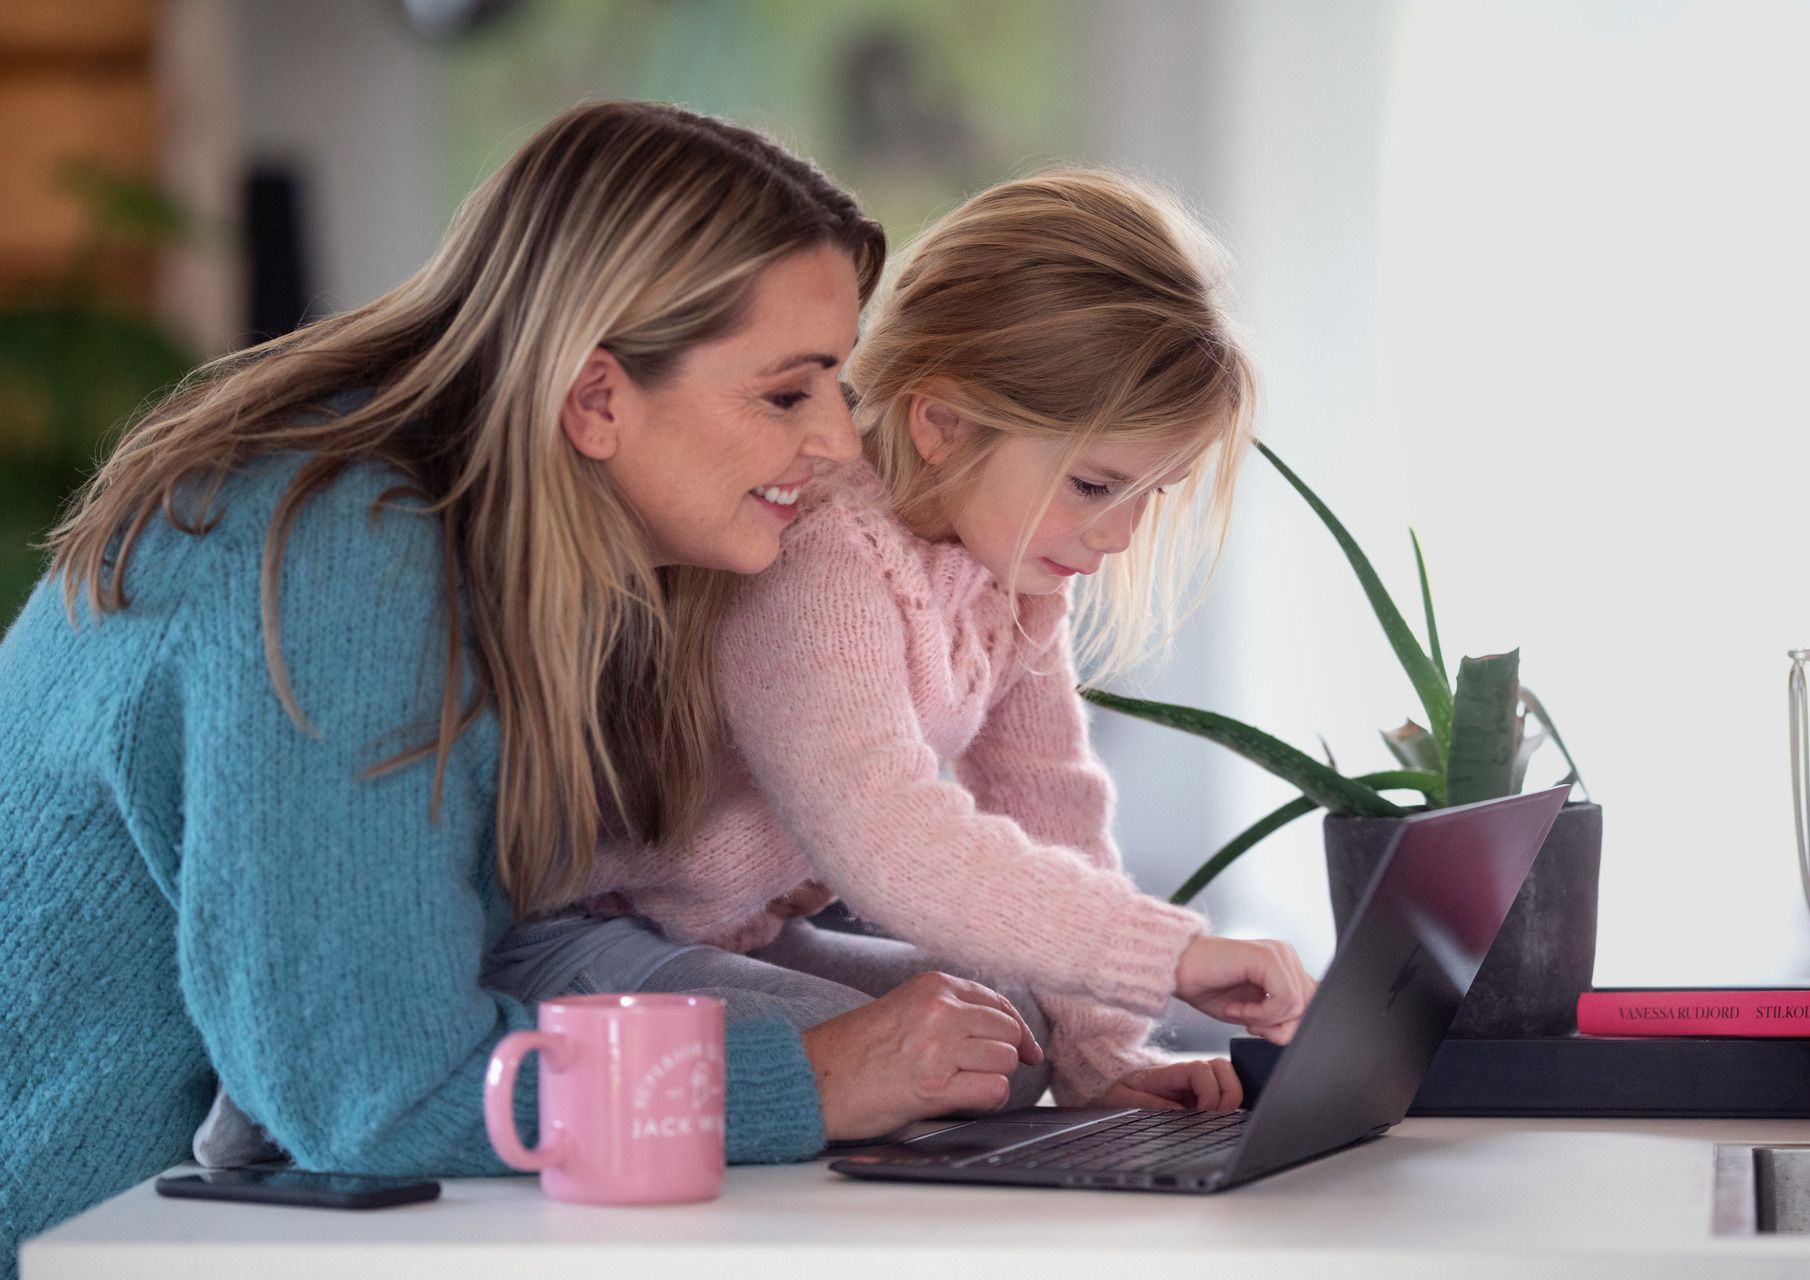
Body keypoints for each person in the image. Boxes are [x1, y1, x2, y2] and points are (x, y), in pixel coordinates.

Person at [0, 102, 1042, 1279]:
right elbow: (375, 1090)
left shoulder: (504, 548)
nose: (842, 448)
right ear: (596, 398)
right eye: (788, 393)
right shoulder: (345, 552)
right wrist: (817, 1078)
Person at [509, 169, 1319, 1114]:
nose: (1121, 535)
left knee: (1012, 1035)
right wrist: (1168, 954)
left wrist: (1103, 1059)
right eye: (1098, 487)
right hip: (586, 944)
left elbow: (1050, 808)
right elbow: (885, 833)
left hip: (731, 936)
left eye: (1153, 495)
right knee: (966, 1071)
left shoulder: (1009, 580)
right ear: (943, 423)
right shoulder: (824, 556)